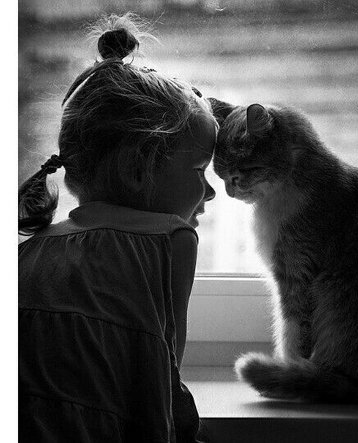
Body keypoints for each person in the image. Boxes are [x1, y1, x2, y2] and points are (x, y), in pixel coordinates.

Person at [18, 14, 216, 443]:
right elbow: (164, 386)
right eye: (200, 170)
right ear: (137, 168)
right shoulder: (171, 241)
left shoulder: (25, 252)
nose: (211, 192)